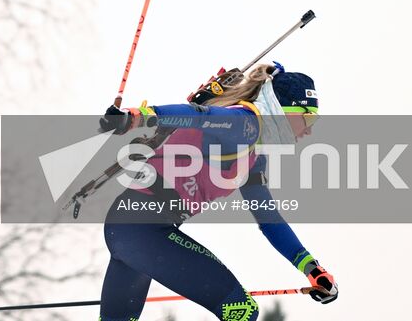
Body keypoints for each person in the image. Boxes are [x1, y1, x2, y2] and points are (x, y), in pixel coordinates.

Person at [96, 64, 337, 321]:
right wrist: (139, 116)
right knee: (241, 310)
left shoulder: (254, 156)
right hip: (140, 228)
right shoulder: (244, 124)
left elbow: (269, 219)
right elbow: (198, 115)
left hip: (135, 230)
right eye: (307, 119)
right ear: (282, 110)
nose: (309, 130)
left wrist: (311, 267)